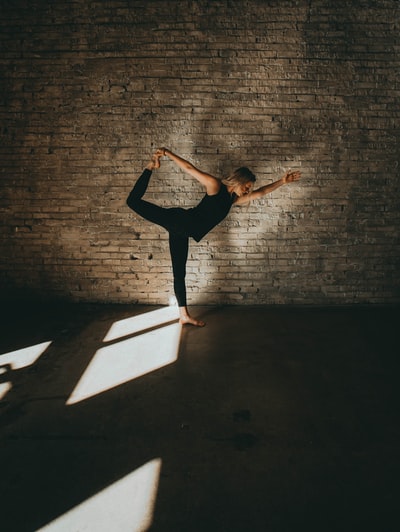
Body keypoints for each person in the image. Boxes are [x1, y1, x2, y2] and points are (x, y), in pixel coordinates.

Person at [127, 148, 301, 327]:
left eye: (250, 188)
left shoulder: (231, 200)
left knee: (179, 273)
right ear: (239, 181)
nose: (249, 190)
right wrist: (167, 153)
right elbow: (189, 168)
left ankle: (184, 315)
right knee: (132, 201)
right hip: (177, 220)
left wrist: (282, 181)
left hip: (181, 231)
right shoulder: (215, 185)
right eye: (247, 186)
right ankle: (150, 166)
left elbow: (261, 193)